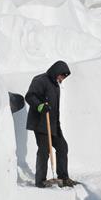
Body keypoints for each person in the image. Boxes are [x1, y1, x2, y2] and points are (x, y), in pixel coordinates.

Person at [25, 60, 75, 188]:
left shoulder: (55, 85)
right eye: (62, 76)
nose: (62, 79)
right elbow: (30, 96)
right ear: (56, 72)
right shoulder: (40, 80)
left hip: (53, 124)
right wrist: (40, 106)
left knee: (62, 147)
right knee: (44, 150)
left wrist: (57, 125)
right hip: (40, 123)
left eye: (64, 77)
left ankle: (63, 177)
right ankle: (40, 181)